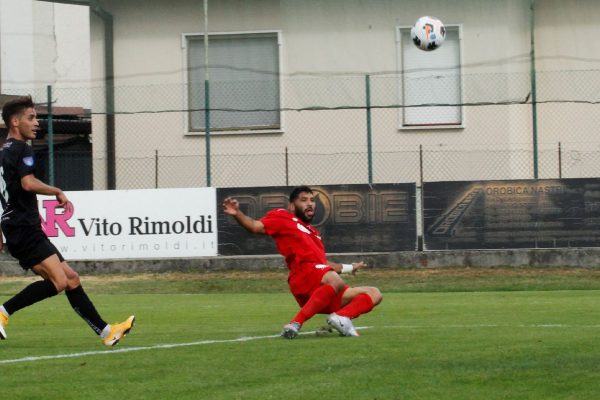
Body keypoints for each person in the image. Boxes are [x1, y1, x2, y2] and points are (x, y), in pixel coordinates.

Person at [0, 95, 134, 346]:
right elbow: (27, 183)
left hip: (17, 226)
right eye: (31, 117)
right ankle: (3, 311)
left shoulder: (3, 152)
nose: (37, 122)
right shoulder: (22, 150)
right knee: (58, 281)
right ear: (15, 122)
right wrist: (57, 191)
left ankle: (107, 332)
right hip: (24, 227)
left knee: (70, 278)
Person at [223, 185, 382, 339]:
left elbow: (324, 265)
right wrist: (237, 213)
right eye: (304, 200)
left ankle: (342, 317)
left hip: (322, 284)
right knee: (335, 280)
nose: (310, 203)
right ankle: (295, 323)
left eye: (312, 200)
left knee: (374, 293)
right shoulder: (283, 216)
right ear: (292, 206)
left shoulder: (314, 233)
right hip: (303, 276)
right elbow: (254, 226)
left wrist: (350, 267)